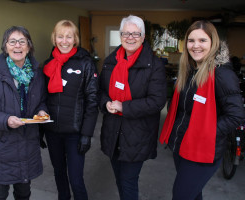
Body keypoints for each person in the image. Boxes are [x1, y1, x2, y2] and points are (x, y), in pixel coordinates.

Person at [159, 20, 245, 200]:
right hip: (181, 146)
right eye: (191, 40)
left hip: (202, 149)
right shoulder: (188, 70)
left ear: (213, 43)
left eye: (202, 41)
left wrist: (205, 133)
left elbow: (235, 115)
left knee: (181, 196)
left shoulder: (222, 74)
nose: (195, 46)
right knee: (193, 194)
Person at [0, 26, 48, 200]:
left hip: (28, 145)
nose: (18, 46)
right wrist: (6, 120)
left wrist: (42, 111)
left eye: (22, 41)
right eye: (12, 41)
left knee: (24, 192)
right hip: (2, 148)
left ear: (29, 46)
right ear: (5, 46)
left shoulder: (37, 75)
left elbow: (42, 101)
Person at [99, 15, 167, 200]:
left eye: (135, 33)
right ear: (121, 36)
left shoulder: (154, 65)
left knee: (128, 180)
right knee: (120, 179)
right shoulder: (110, 62)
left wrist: (124, 106)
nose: (130, 37)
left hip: (138, 134)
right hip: (113, 132)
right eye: (126, 33)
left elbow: (157, 101)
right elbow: (101, 91)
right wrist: (106, 103)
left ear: (143, 37)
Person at [42, 20, 99, 200]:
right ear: (54, 38)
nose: (64, 41)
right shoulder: (48, 65)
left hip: (75, 133)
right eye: (60, 36)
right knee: (59, 175)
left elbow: (92, 101)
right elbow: (41, 99)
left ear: (75, 39)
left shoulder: (86, 64)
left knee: (76, 180)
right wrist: (39, 130)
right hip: (52, 132)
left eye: (69, 36)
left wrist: (86, 134)